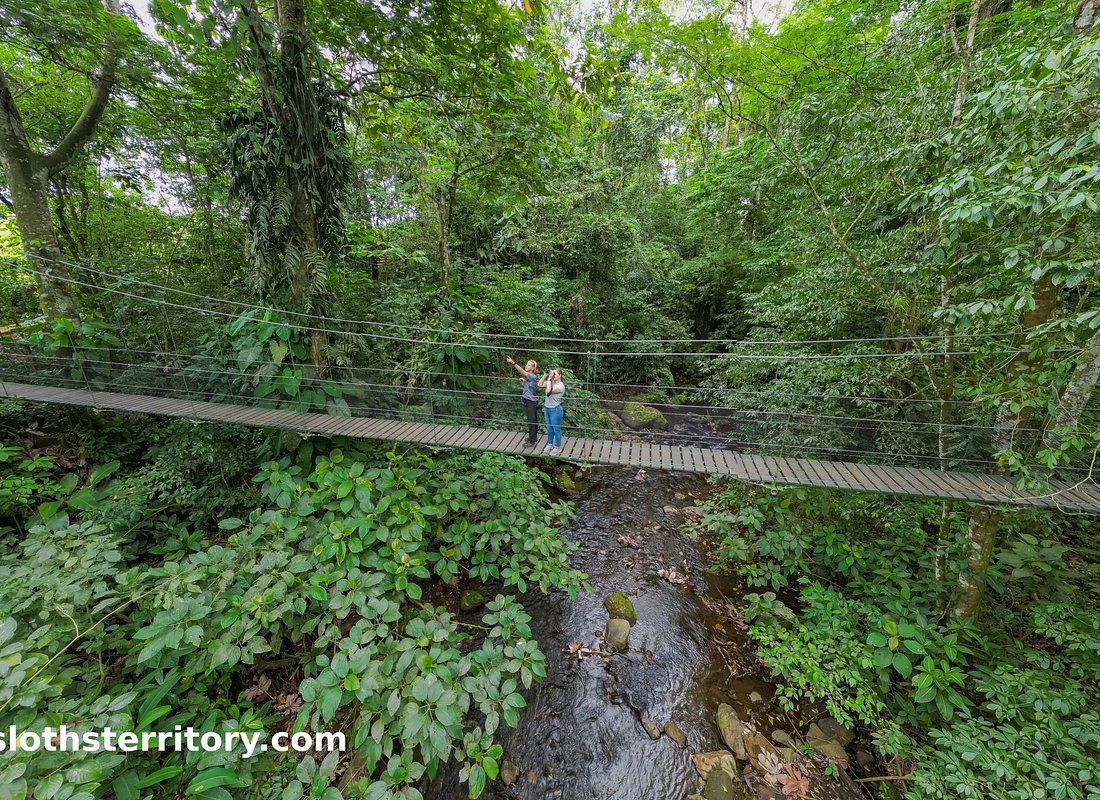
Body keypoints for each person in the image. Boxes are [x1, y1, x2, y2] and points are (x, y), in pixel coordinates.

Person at [505, 355, 540, 447]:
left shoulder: (532, 376)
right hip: (529, 401)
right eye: (526, 364)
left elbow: (521, 371)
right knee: (533, 419)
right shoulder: (530, 377)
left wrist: (513, 362)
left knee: (532, 420)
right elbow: (530, 386)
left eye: (529, 365)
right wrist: (524, 382)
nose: (526, 366)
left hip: (531, 402)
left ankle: (532, 441)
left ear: (533, 368)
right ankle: (534, 437)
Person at [539, 367, 565, 455]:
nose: (553, 375)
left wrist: (550, 378)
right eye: (552, 373)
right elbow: (540, 384)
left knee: (556, 429)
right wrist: (545, 375)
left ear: (560, 376)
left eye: (555, 374)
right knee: (549, 428)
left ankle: (557, 447)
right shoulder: (551, 382)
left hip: (555, 410)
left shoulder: (561, 386)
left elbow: (548, 391)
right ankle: (550, 444)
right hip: (547, 409)